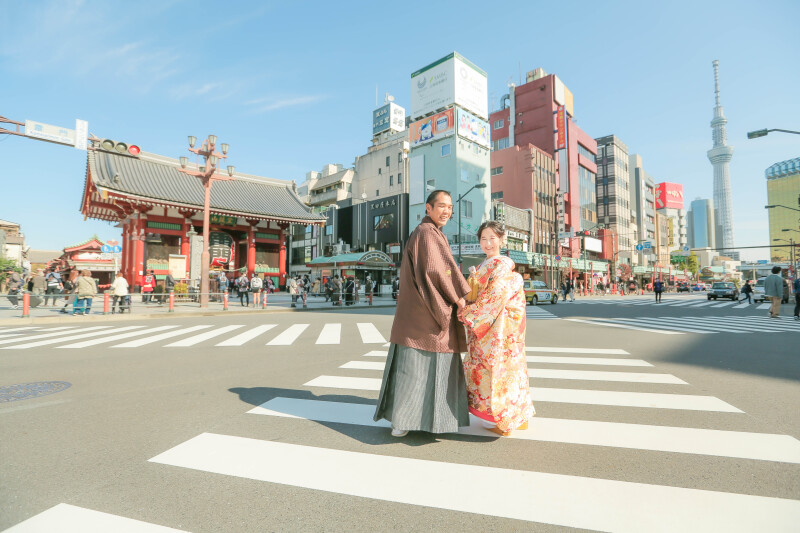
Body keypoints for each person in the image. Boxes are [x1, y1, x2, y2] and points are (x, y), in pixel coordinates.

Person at [373, 190, 470, 437]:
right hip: (425, 312)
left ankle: (404, 421)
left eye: (450, 207)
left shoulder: (428, 232)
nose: (447, 211)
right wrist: (459, 298)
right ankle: (405, 421)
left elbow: (441, 269)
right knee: (417, 370)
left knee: (411, 371)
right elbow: (438, 271)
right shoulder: (427, 233)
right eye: (442, 206)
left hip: (416, 312)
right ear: (428, 208)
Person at [459, 221, 534, 437]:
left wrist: (468, 313)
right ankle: (517, 417)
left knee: (498, 370)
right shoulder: (487, 264)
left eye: (492, 238)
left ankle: (502, 419)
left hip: (496, 328)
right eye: (483, 239)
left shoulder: (501, 265)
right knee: (509, 370)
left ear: (501, 240)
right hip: (494, 326)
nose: (488, 243)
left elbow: (495, 296)